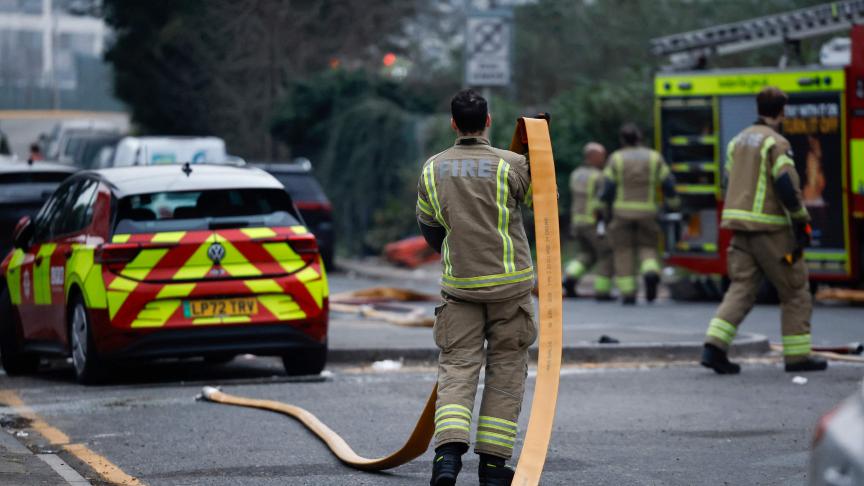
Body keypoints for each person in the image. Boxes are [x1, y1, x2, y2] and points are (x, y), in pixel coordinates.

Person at [416, 89, 536, 486]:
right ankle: (493, 469)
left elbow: (430, 228)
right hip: (511, 288)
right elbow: (544, 204)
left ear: (453, 123)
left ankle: (446, 461)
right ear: (488, 121)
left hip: (460, 287)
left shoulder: (432, 169)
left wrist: (458, 252)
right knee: (506, 370)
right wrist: (538, 152)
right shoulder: (512, 164)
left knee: (458, 369)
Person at [701, 86, 827, 374]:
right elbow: (785, 184)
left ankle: (714, 347)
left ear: (758, 108)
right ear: (782, 111)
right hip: (773, 235)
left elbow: (726, 182)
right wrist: (800, 220)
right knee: (794, 289)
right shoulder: (777, 143)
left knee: (742, 287)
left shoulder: (737, 141)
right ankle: (797, 358)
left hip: (740, 232)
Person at [602, 123, 679, 304]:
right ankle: (650, 272)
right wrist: (673, 204)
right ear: (640, 137)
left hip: (621, 213)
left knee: (623, 251)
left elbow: (607, 188)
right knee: (648, 248)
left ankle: (628, 293)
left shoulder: (616, 158)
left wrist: (604, 209)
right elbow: (668, 183)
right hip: (648, 212)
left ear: (622, 139)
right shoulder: (654, 157)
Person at [563, 142, 614, 300]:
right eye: (602, 156)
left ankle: (570, 278)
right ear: (593, 156)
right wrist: (604, 223)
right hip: (593, 222)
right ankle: (602, 291)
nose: (604, 159)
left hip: (577, 222)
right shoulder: (599, 177)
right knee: (607, 253)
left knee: (587, 253)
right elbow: (601, 203)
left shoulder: (576, 174)